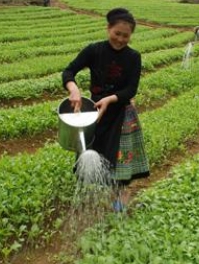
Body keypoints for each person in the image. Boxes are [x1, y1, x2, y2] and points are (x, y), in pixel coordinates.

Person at [62, 8, 150, 211]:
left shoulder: (133, 57)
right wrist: (73, 88)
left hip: (121, 113)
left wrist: (110, 99)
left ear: (131, 36)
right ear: (108, 28)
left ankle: (122, 195)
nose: (120, 39)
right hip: (95, 112)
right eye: (116, 33)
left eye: (125, 36)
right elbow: (69, 71)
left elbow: (131, 89)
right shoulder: (94, 51)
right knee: (91, 152)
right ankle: (91, 193)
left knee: (120, 159)